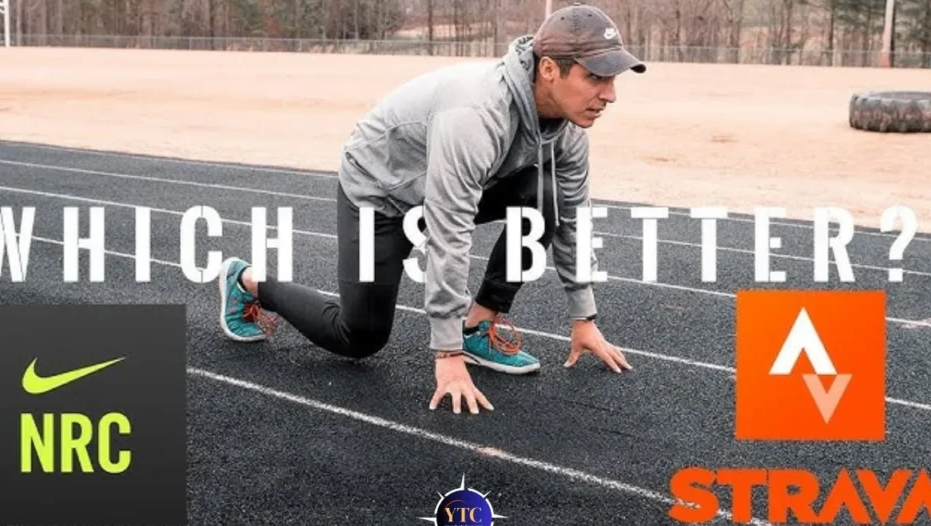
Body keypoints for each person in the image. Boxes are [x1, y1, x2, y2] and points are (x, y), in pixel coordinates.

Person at [217, 3, 643, 415]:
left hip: (443, 187)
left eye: (613, 78)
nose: (610, 94)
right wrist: (446, 353)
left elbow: (572, 217)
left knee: (546, 195)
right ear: (549, 69)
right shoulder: (476, 115)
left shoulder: (567, 132)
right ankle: (247, 281)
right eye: (595, 77)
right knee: (359, 337)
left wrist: (584, 316)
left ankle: (477, 327)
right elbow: (450, 228)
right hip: (380, 193)